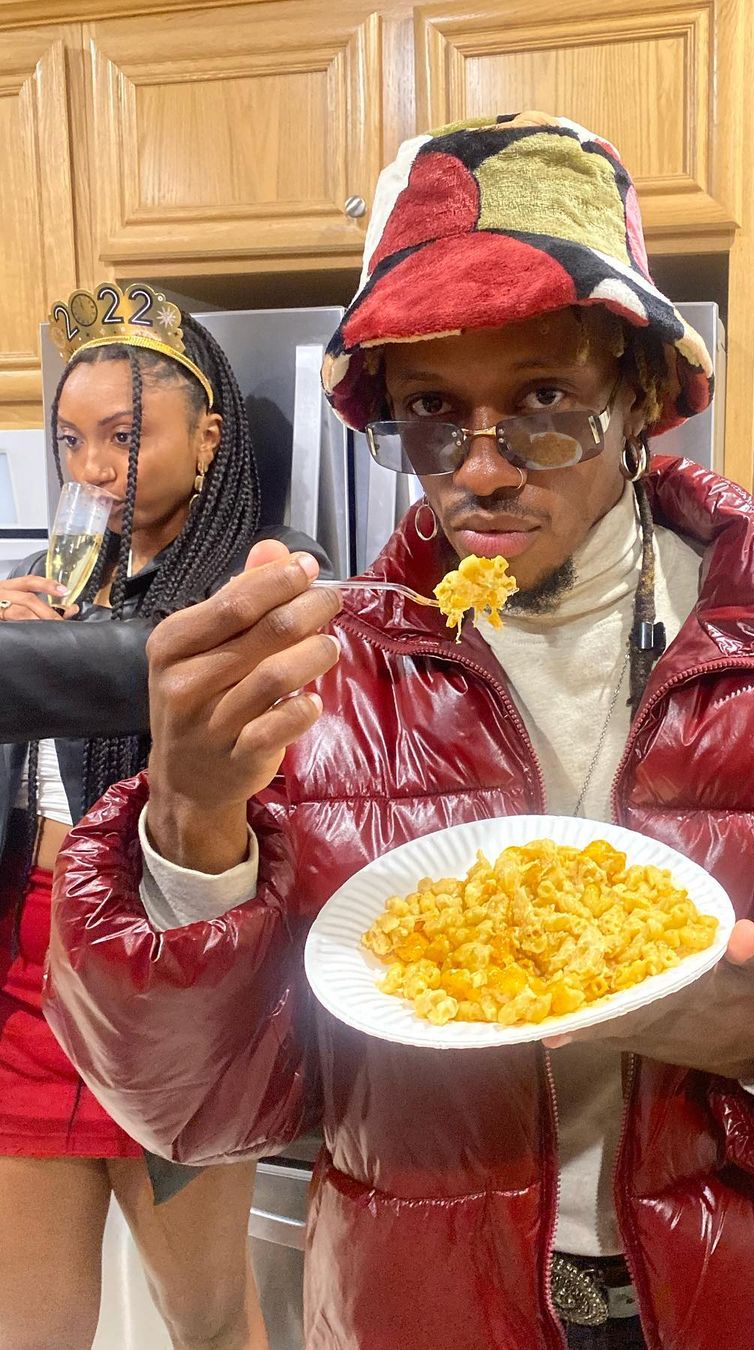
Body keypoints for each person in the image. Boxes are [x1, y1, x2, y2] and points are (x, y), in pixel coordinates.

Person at [44, 117, 754, 1350]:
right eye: (432, 412)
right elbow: (196, 1110)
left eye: (544, 400)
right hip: (425, 1310)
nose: (482, 471)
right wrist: (191, 819)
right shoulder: (315, 686)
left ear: (639, 398)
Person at [0, 283, 328, 1350]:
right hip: (25, 981)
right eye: (71, 441)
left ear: (208, 440)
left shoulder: (254, 581)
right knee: (29, 1328)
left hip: (175, 980)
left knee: (209, 1318)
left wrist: (26, 663)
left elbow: (237, 732)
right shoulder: (36, 587)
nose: (92, 468)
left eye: (125, 436)